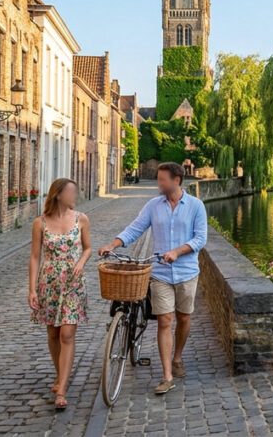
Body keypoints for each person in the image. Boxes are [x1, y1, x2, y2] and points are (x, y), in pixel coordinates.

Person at [100, 161, 207, 395]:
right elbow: (135, 228)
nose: (158, 183)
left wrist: (177, 251)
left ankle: (177, 356)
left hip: (187, 272)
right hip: (159, 273)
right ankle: (167, 375)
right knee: (166, 320)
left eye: (162, 180)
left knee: (184, 317)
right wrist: (113, 244)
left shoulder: (196, 206)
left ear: (176, 180)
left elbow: (200, 239)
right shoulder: (153, 206)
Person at [28, 178, 91, 411]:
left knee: (67, 333)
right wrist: (32, 289)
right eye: (71, 192)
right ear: (58, 195)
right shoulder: (40, 223)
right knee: (53, 333)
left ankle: (62, 389)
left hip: (74, 282)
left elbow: (88, 248)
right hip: (49, 281)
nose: (75, 196)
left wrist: (82, 262)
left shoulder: (81, 219)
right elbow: (35, 256)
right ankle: (59, 374)